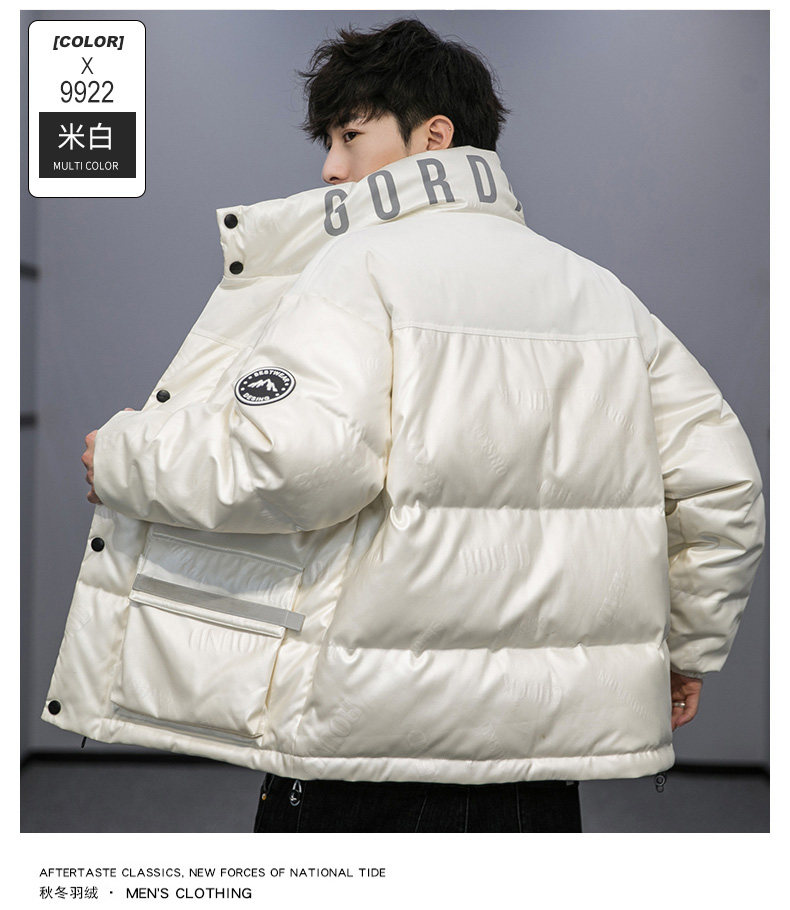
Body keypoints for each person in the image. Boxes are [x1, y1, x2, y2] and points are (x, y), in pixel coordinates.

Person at [46, 19, 764, 833]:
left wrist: (129, 459)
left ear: (435, 136)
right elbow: (725, 489)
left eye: (350, 136)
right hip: (541, 768)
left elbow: (294, 463)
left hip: (368, 747)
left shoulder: (357, 268)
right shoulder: (604, 296)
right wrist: (685, 650)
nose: (330, 166)